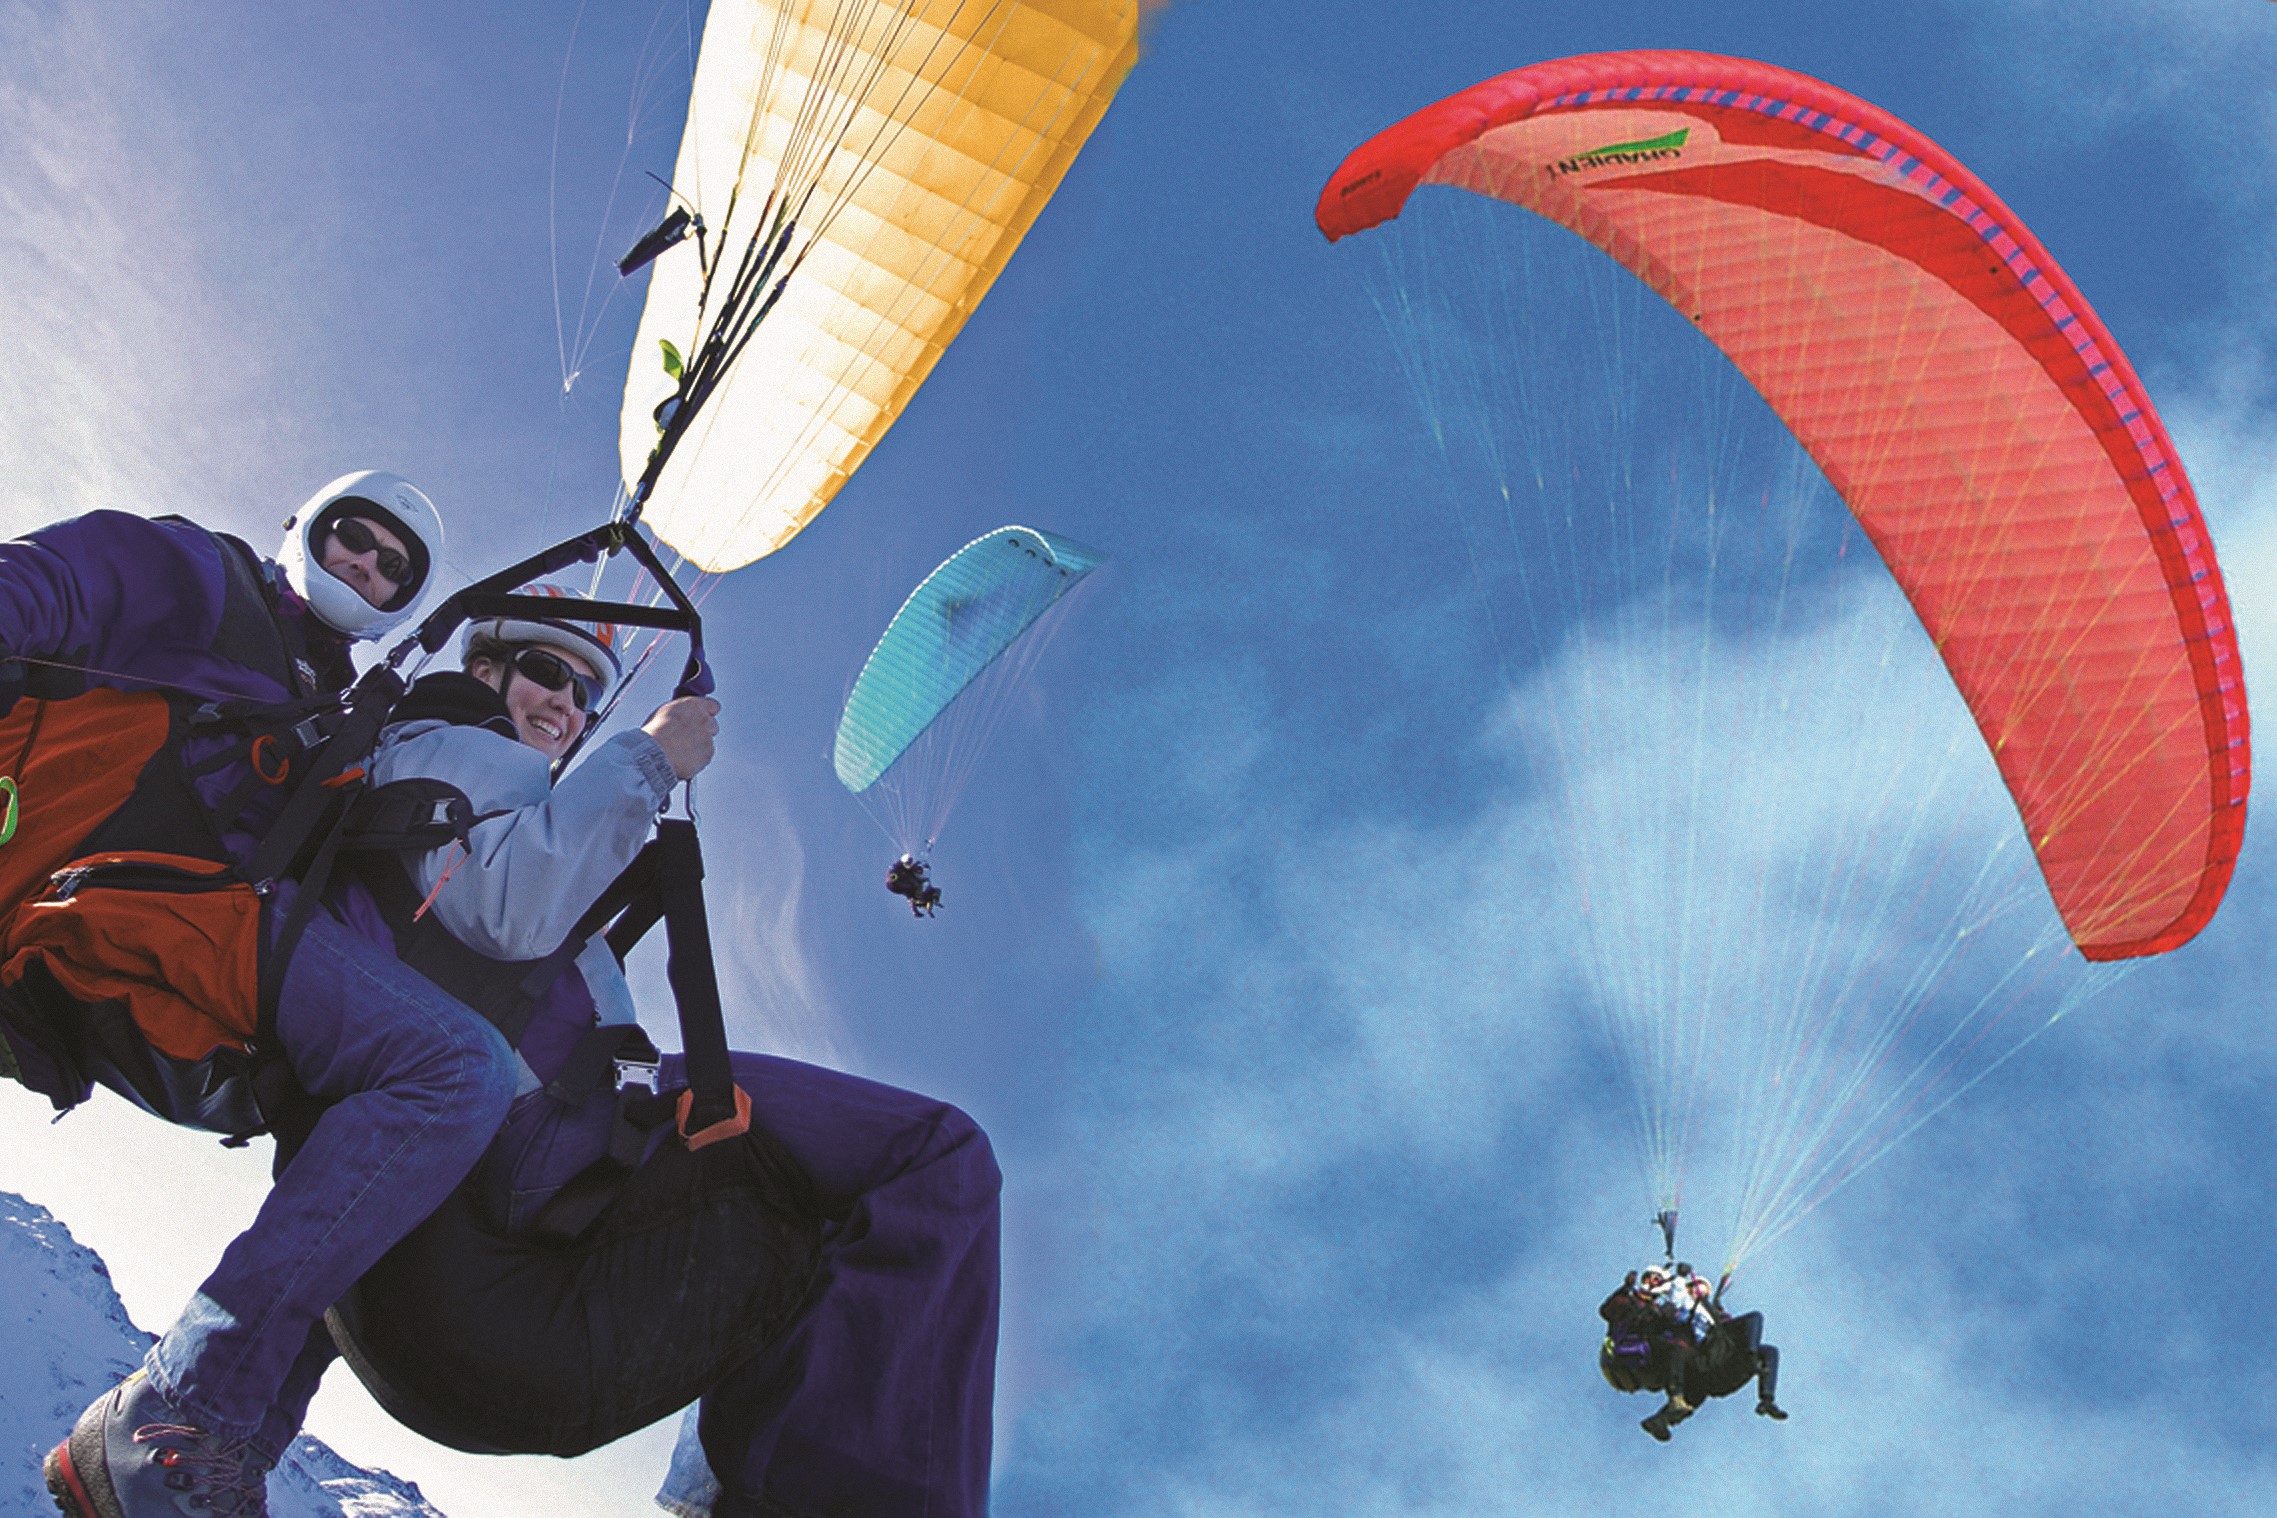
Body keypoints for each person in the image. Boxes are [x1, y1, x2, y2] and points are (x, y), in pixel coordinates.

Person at [325, 591, 1003, 1518]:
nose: (566, 704)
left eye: (583, 694)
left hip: (480, 1231)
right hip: (527, 1149)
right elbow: (506, 910)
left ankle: (729, 1498)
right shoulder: (456, 748)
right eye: (548, 673)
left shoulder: (486, 797)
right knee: (929, 1156)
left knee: (827, 1222)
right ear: (483, 671)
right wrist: (648, 757)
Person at [28, 479, 525, 1518]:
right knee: (449, 1069)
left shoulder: (343, 709)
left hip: (207, 937)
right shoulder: (201, 576)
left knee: (419, 1127)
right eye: (353, 539)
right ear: (304, 528)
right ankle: (178, 1415)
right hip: (128, 889)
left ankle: (214, 1462)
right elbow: (48, 584)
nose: (366, 568)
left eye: (393, 570)